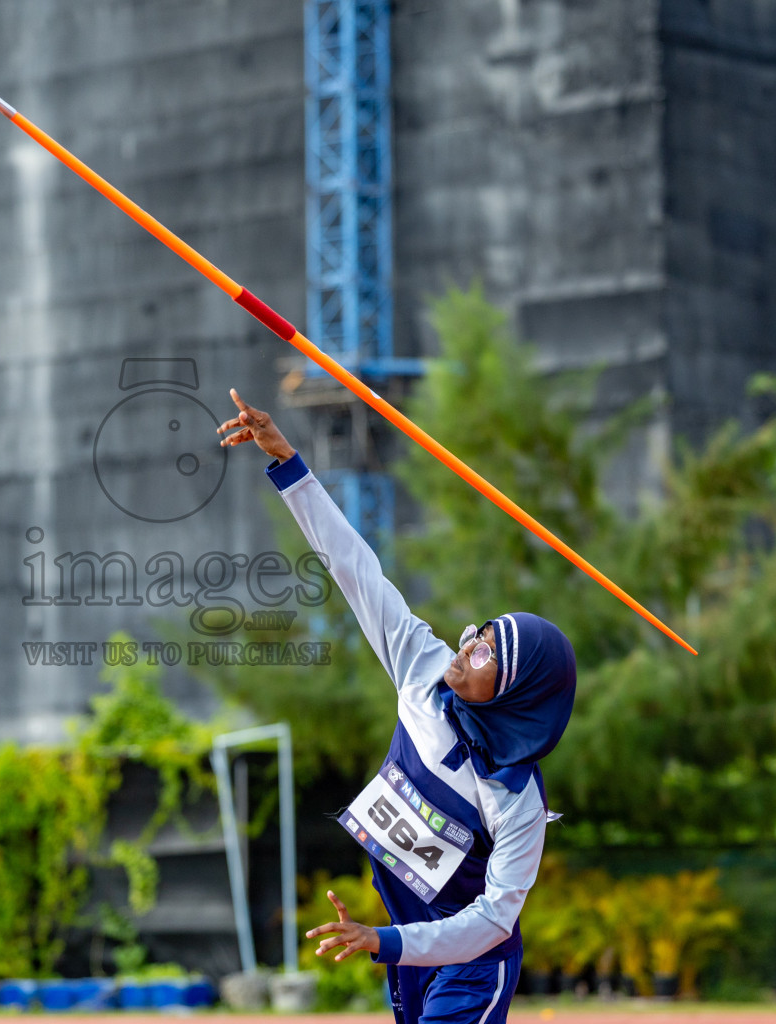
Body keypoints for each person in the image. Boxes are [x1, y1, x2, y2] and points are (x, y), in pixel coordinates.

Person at [218, 389, 577, 1024]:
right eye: (478, 633)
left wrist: (383, 942)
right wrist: (287, 464)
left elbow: (495, 918)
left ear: (517, 691)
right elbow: (356, 569)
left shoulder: (517, 800)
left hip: (472, 959)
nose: (467, 647)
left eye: (489, 653)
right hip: (408, 936)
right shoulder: (423, 669)